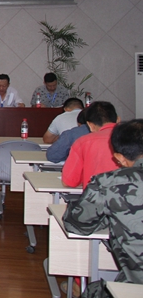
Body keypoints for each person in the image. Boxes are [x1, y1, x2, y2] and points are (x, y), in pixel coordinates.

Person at [63, 119, 143, 298]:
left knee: (94, 291)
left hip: (135, 286)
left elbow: (76, 224)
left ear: (119, 158)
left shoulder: (110, 182)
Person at [62, 101, 119, 188]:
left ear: (90, 125)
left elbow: (69, 181)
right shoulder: (135, 138)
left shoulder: (82, 142)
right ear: (118, 119)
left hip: (96, 195)